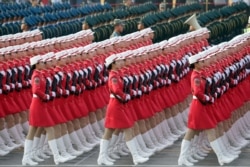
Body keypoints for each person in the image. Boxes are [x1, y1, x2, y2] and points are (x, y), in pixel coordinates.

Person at [97, 54, 149, 165]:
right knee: (124, 129)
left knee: (110, 131)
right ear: (113, 64)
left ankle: (103, 156)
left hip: (118, 104)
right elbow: (116, 90)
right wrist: (125, 96)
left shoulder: (116, 74)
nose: (121, 62)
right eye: (118, 61)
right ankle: (135, 156)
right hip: (116, 105)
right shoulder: (113, 76)